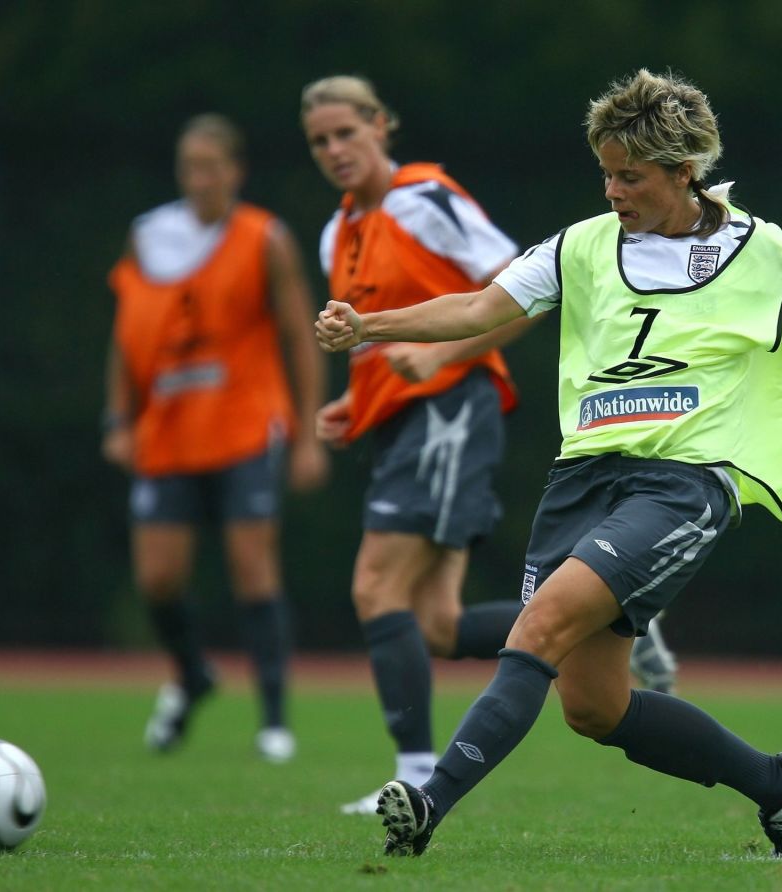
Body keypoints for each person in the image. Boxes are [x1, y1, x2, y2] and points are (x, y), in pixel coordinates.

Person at [316, 68, 782, 857]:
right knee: (594, 707)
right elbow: (479, 308)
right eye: (606, 173)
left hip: (685, 482)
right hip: (582, 479)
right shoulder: (581, 245)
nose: (612, 190)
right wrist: (370, 326)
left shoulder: (765, 252)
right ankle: (779, 783)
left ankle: (428, 802)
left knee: (538, 626)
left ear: (683, 172)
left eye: (630, 176)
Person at [300, 75, 539, 814]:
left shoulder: (424, 198)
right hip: (403, 420)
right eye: (319, 141)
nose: (335, 150)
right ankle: (602, 623)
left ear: (381, 125)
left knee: (375, 587)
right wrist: (355, 400)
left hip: (452, 408)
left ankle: (412, 775)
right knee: (435, 624)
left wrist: (442, 359)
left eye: (347, 132)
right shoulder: (337, 232)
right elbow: (380, 337)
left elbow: (527, 292)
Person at [103, 113, 329, 763]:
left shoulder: (264, 238)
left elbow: (299, 334)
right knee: (158, 578)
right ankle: (193, 674)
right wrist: (117, 418)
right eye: (190, 167)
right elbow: (125, 335)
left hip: (244, 425)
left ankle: (274, 721)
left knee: (253, 569)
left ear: (236, 171)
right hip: (168, 431)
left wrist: (308, 433)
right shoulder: (149, 235)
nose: (200, 179)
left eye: (212, 166)